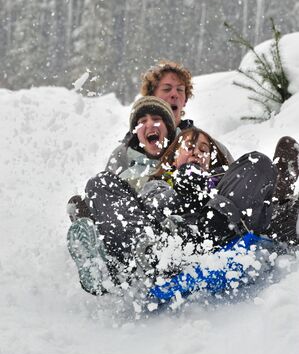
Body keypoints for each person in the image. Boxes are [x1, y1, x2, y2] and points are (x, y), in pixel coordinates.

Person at [67, 126, 292, 296]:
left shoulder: (224, 180)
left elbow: (246, 195)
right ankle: (112, 270)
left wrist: (205, 190)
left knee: (258, 161)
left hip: (217, 233)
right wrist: (183, 191)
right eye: (189, 148)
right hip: (161, 244)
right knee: (101, 182)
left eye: (204, 150)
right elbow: (155, 206)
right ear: (173, 158)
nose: (196, 152)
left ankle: (282, 203)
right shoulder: (158, 183)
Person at [105, 60, 234, 175]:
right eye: (167, 89)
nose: (174, 95)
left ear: (185, 100)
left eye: (180, 90)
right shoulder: (124, 154)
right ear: (151, 96)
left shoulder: (206, 145)